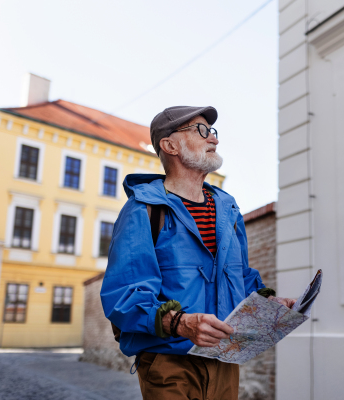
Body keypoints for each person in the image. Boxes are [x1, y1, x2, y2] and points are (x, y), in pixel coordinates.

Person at [100, 106, 295, 400]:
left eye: (212, 132)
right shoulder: (143, 210)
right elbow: (123, 295)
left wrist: (269, 304)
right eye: (201, 131)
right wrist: (181, 323)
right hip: (169, 363)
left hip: (224, 359)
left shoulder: (228, 209)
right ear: (170, 145)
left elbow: (241, 275)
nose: (213, 139)